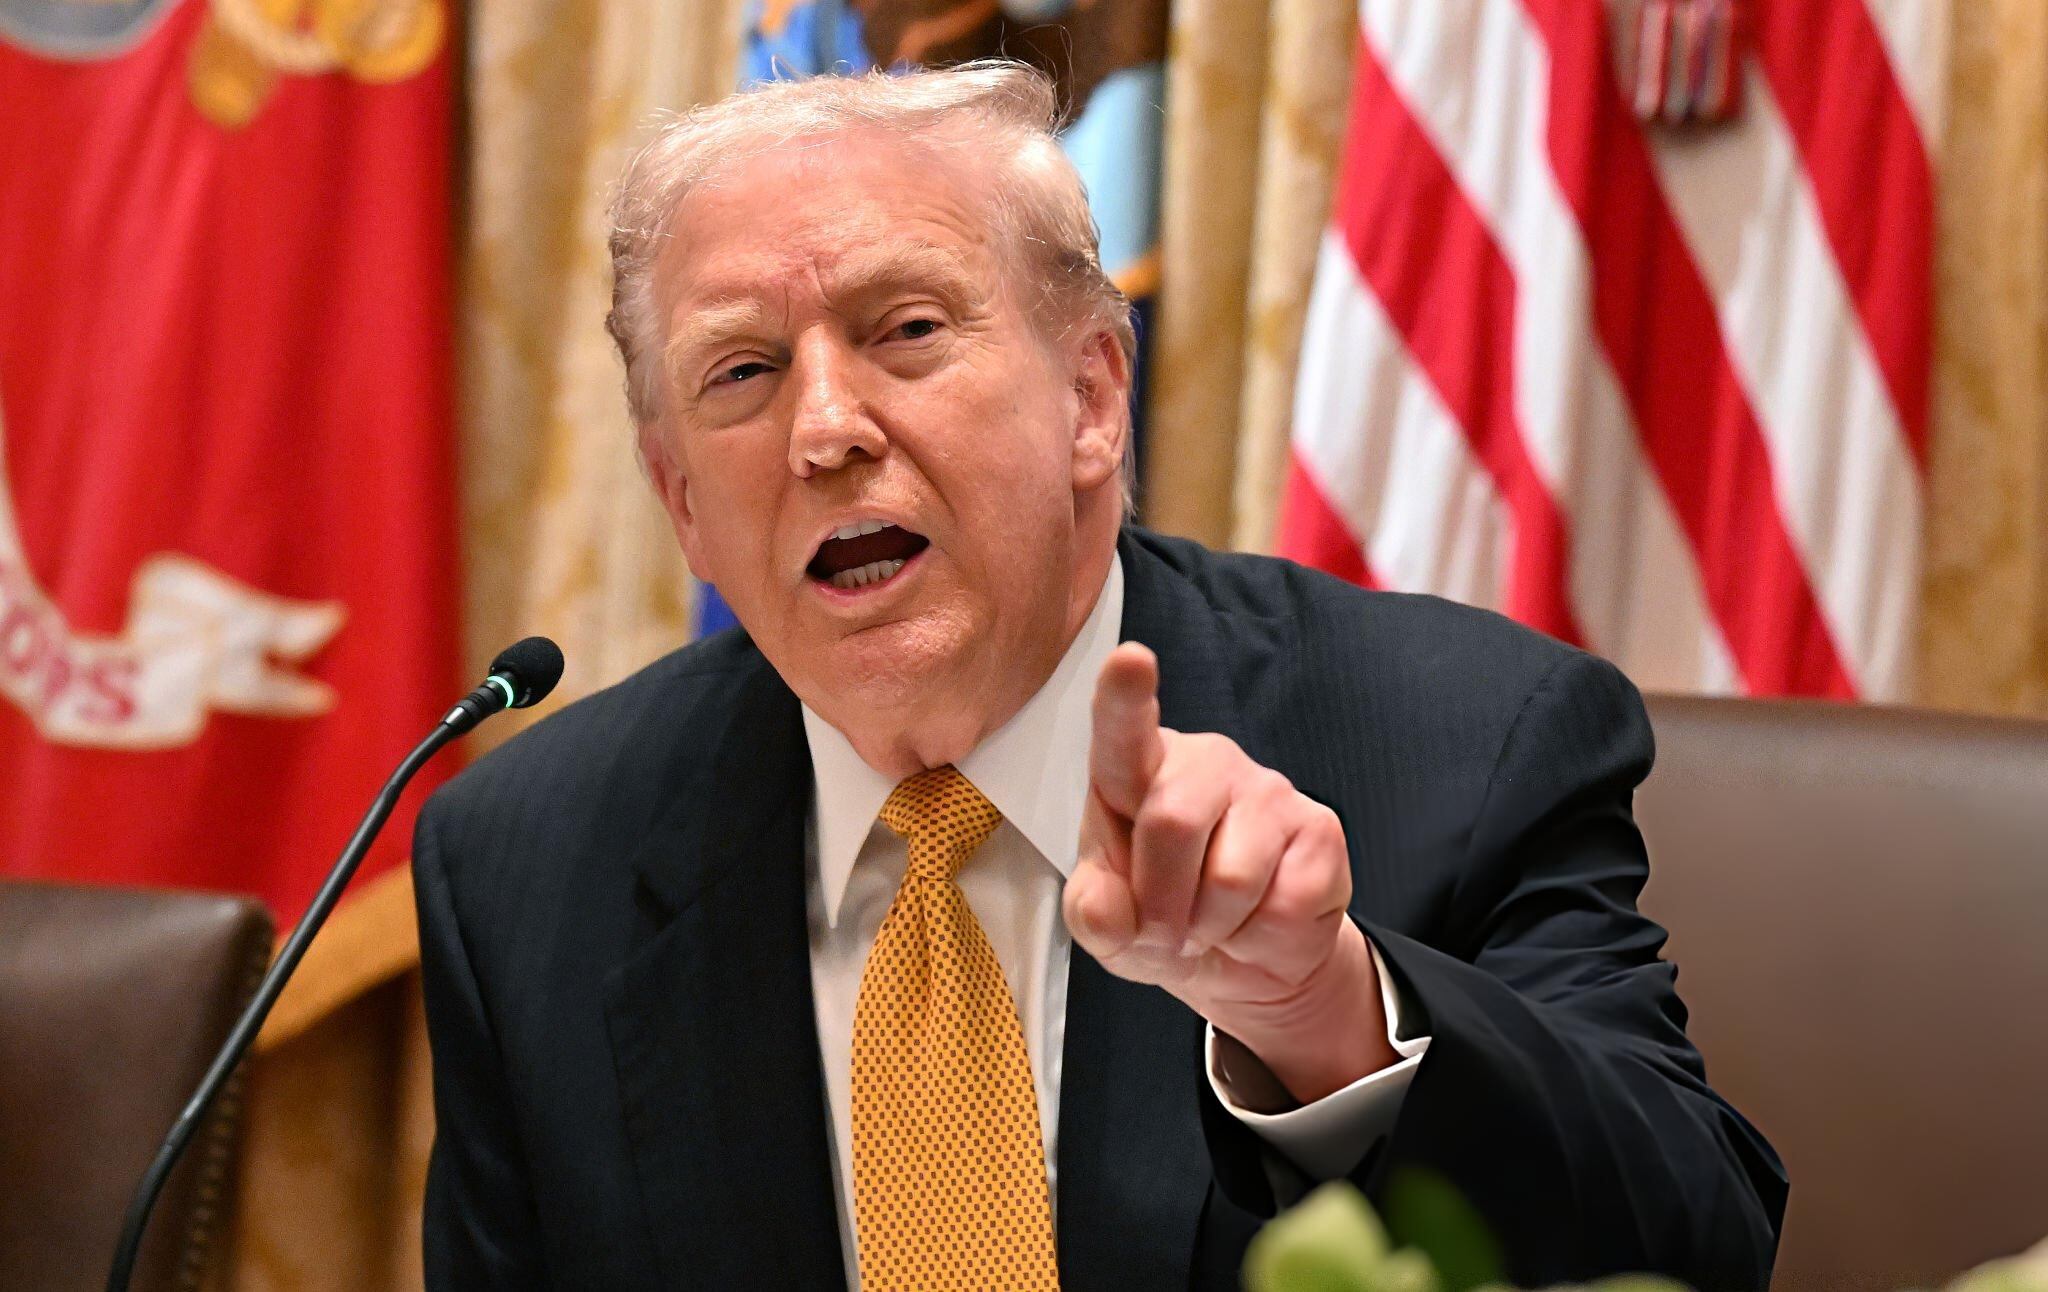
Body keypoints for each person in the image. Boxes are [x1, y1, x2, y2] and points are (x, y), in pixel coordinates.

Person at [413, 61, 1785, 1292]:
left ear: (1092, 398)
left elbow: (1696, 1249)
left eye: (906, 330)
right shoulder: (527, 863)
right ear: (680, 501)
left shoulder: (1459, 736)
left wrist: (1321, 1011)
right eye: (744, 372)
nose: (824, 430)